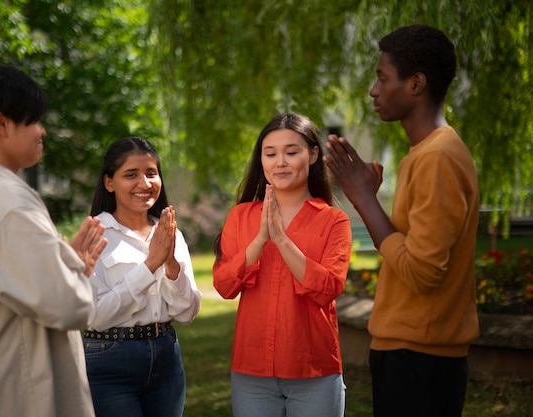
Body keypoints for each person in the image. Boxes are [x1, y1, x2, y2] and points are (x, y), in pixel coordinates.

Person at [324, 25, 480, 417]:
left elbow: (424, 272)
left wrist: (363, 202)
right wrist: (370, 201)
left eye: (382, 78)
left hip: (419, 357)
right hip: (414, 351)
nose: (374, 91)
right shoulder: (426, 154)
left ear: (416, 84)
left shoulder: (436, 158)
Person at [0, 65, 108, 417]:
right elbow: (70, 305)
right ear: (1, 124)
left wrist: (62, 261)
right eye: (34, 120)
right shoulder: (9, 202)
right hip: (19, 395)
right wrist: (76, 271)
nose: (42, 131)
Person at [213, 113, 351, 417]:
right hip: (252, 370)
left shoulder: (333, 221)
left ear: (313, 154)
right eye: (270, 153)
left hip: (314, 370)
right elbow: (224, 286)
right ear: (260, 159)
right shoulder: (241, 216)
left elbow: (328, 288)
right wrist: (261, 239)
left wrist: (282, 240)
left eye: (292, 152)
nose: (281, 162)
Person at [83, 136, 202, 417]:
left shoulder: (170, 233)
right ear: (109, 182)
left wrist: (171, 264)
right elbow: (95, 316)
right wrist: (150, 265)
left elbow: (187, 313)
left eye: (151, 173)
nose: (145, 183)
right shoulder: (95, 235)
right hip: (109, 361)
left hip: (166, 358)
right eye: (131, 175)